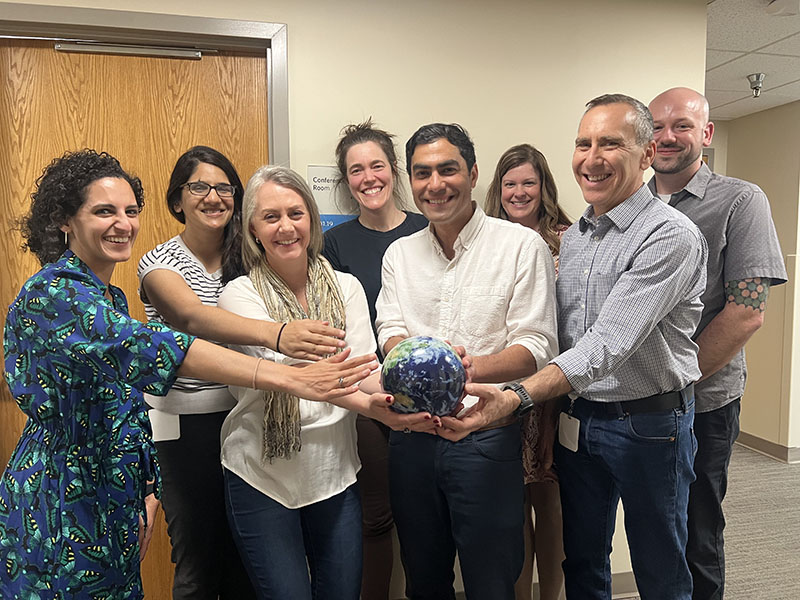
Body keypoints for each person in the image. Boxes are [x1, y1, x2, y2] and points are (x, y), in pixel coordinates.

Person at [0, 150, 378, 600]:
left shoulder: (110, 296)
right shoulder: (54, 293)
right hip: (63, 489)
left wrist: (143, 484)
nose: (122, 223)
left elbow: (123, 405)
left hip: (113, 482)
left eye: (130, 211)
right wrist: (289, 374)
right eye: (104, 211)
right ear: (65, 220)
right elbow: (160, 346)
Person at [439, 95, 708, 600]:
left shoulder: (670, 236)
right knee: (583, 559)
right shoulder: (577, 237)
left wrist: (517, 394)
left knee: (660, 565)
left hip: (649, 426)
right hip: (580, 420)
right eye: (583, 143)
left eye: (611, 143)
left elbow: (605, 345)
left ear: (647, 153)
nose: (592, 157)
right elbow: (560, 338)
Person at [138, 146, 347, 600]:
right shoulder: (159, 264)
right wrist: (280, 335)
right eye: (199, 187)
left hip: (245, 414)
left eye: (224, 187)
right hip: (186, 422)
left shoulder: (247, 259)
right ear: (177, 200)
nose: (213, 197)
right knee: (198, 554)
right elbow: (192, 317)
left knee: (245, 561)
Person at [216, 165, 429, 600]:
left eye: (296, 213)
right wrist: (367, 405)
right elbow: (297, 379)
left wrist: (394, 400)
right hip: (261, 474)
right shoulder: (238, 296)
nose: (285, 227)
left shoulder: (347, 287)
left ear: (312, 220)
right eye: (270, 217)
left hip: (334, 471)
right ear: (253, 229)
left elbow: (363, 367)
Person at [375, 123, 558, 600]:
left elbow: (537, 345)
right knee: (424, 576)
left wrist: (465, 368)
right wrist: (413, 358)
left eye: (447, 169)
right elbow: (389, 329)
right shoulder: (399, 254)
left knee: (492, 579)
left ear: (474, 173)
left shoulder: (520, 245)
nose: (435, 184)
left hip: (484, 431)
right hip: (410, 435)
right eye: (422, 173)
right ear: (409, 182)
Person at [648, 87, 787, 600]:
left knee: (697, 530)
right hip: (636, 406)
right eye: (657, 126)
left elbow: (747, 313)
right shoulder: (630, 203)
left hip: (702, 402)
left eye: (681, 125)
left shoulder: (740, 200)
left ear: (705, 134)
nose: (667, 136)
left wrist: (673, 379)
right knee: (654, 532)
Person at [322, 121, 427, 600]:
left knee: (428, 515)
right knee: (376, 517)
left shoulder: (427, 229)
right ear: (346, 181)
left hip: (428, 394)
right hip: (367, 393)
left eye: (377, 166)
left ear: (394, 170)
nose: (368, 178)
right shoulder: (335, 244)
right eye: (356, 170)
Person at [486, 143, 570, 600]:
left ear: (544, 187)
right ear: (498, 190)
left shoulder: (568, 239)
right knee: (509, 506)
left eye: (528, 183)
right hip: (500, 385)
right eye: (510, 184)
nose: (519, 192)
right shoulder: (486, 241)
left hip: (551, 389)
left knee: (549, 501)